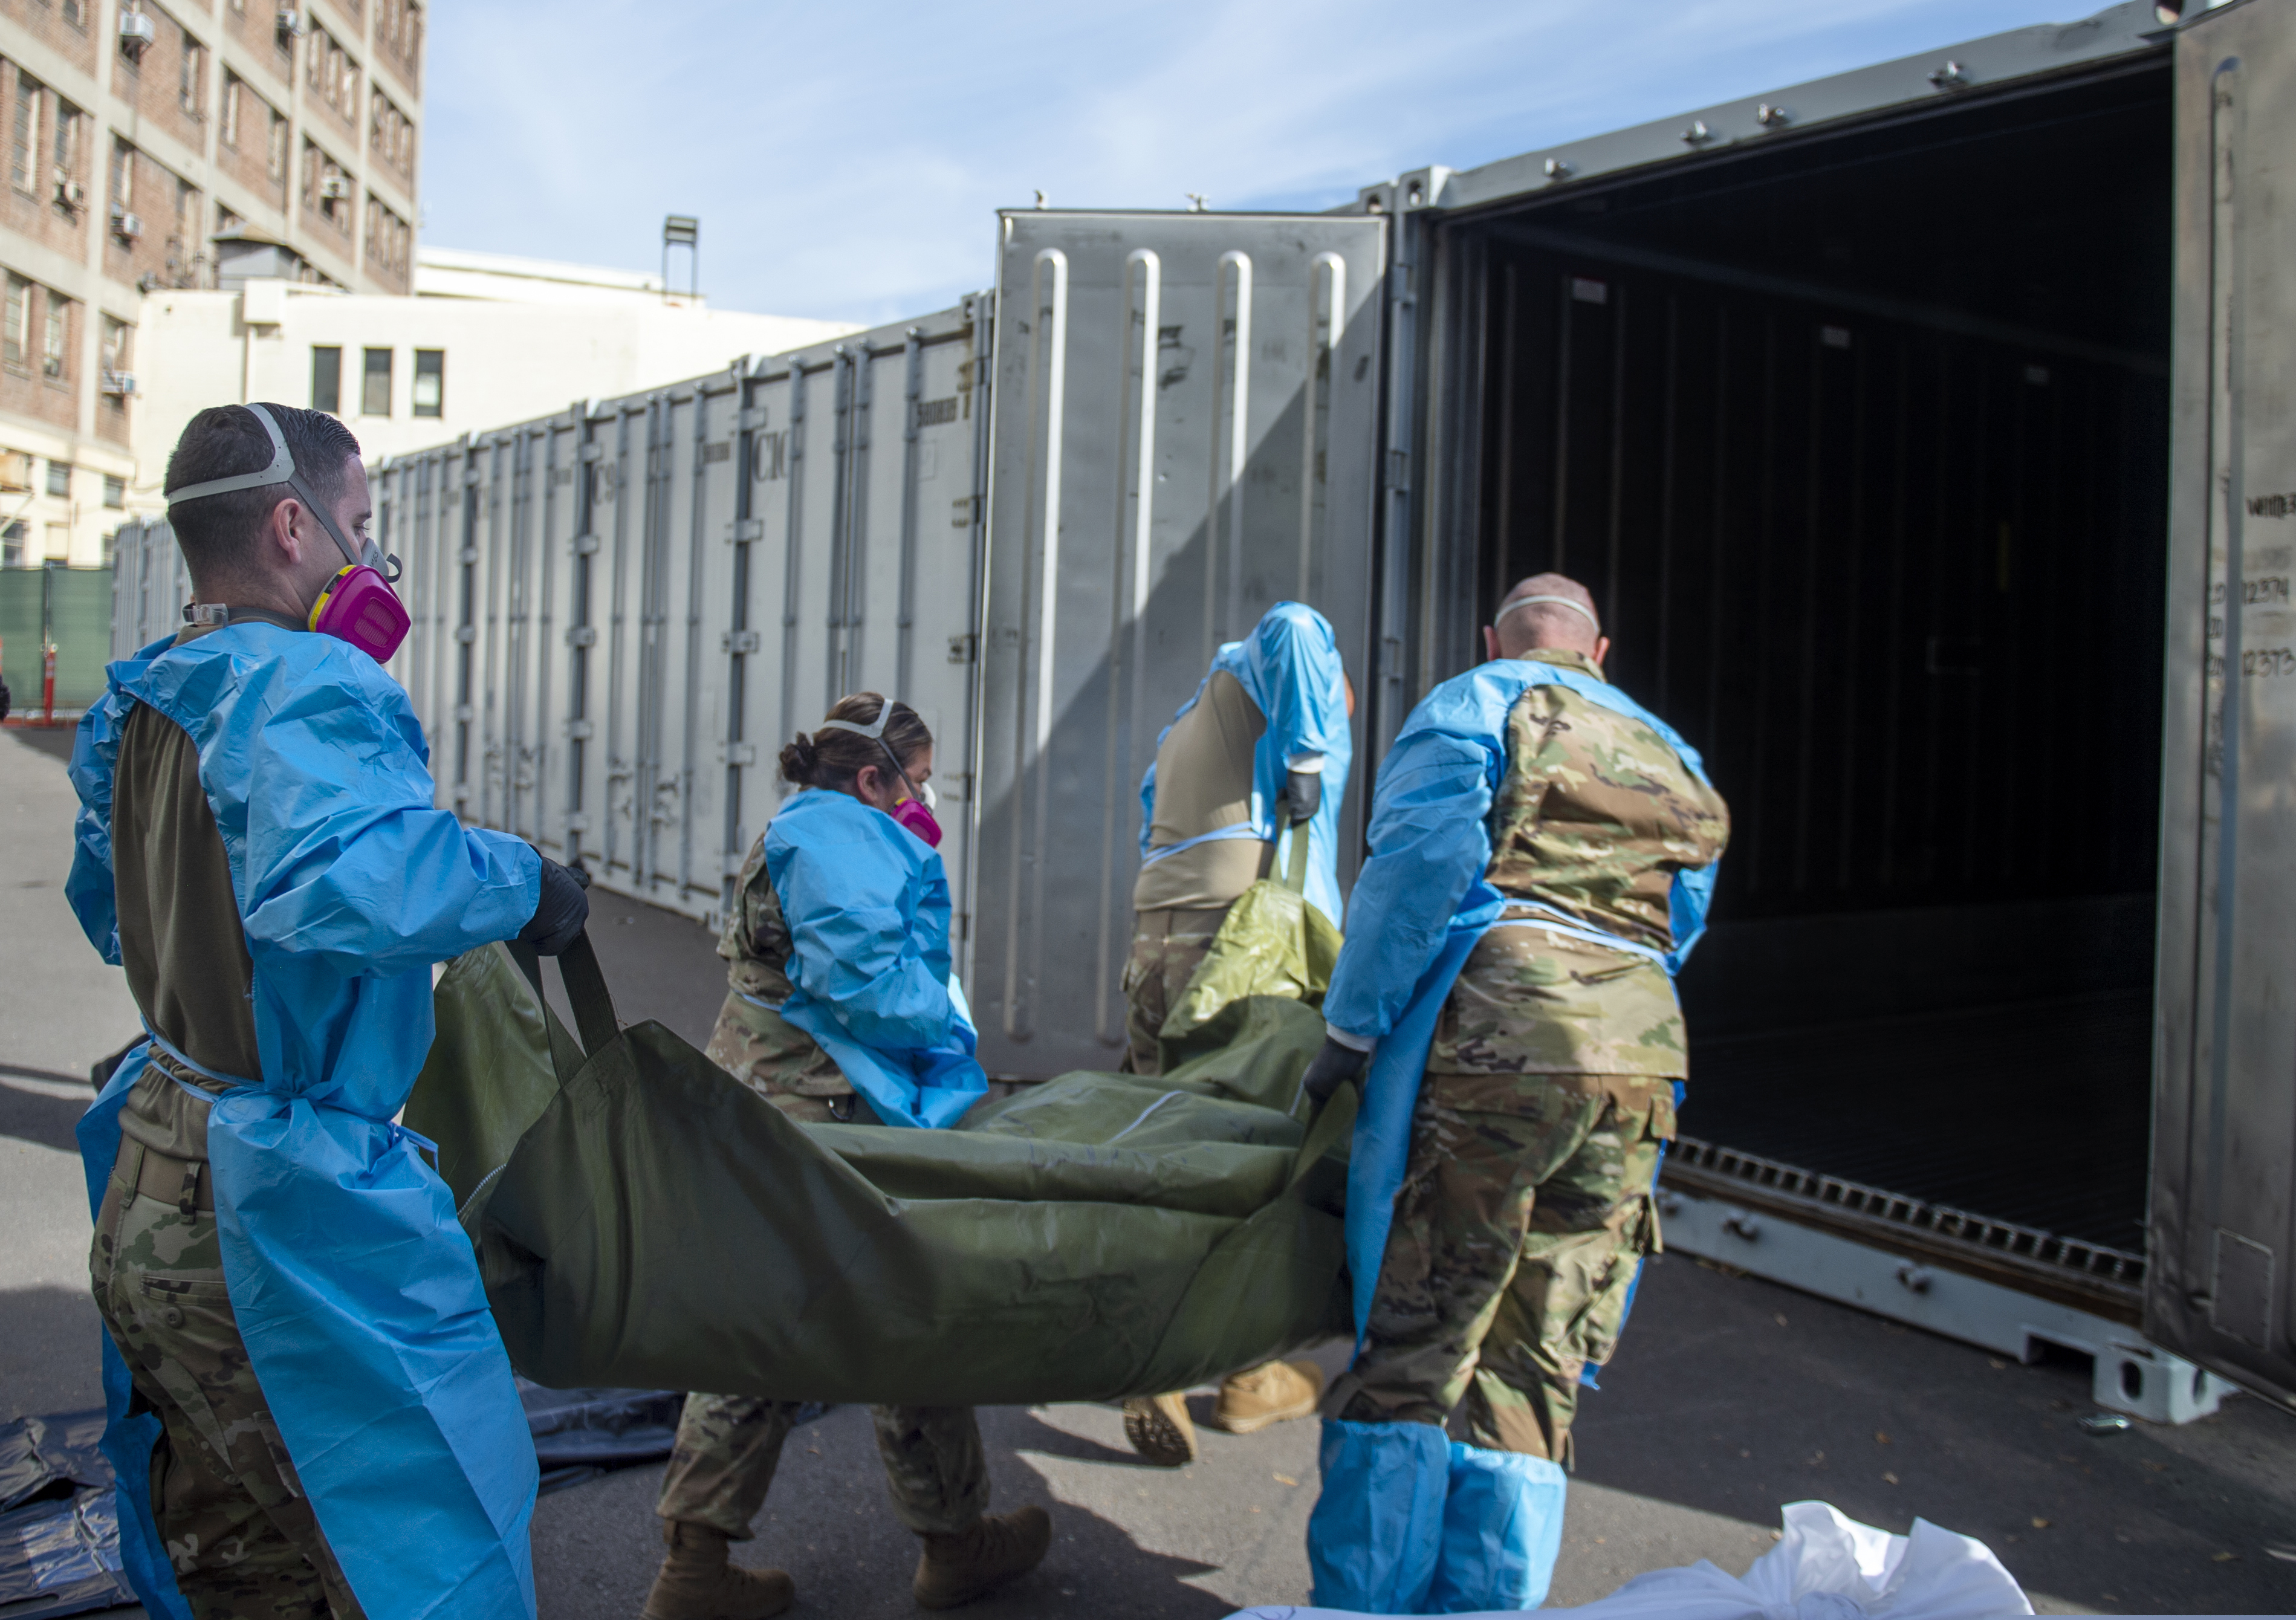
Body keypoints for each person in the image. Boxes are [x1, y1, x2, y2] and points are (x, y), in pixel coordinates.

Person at [65, 403, 592, 1620]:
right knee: (417, 1546)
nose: (370, 564)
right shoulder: (310, 683)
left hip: (157, 1168)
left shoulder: (147, 697)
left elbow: (111, 914)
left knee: (241, 1559)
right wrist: (521, 881)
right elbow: (347, 880)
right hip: (277, 1213)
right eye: (360, 528)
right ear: (293, 526)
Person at [1296, 573, 1730, 1614]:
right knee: (1540, 1346)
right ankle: (1487, 1604)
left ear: (1494, 637)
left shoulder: (1477, 699)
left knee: (1419, 1332)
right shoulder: (1670, 748)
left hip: (1503, 1038)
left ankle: (1364, 1606)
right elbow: (1687, 916)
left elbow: (1420, 861)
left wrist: (1349, 1030)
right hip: (1641, 1060)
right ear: (1601, 650)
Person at [646, 692, 1051, 1620]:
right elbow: (865, 981)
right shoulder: (840, 840)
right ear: (873, 778)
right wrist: (947, 1020)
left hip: (770, 1105)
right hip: (825, 1117)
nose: (929, 795)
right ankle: (948, 1540)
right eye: (919, 776)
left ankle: (700, 1564)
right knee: (897, 1316)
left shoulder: (805, 825)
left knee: (776, 1327)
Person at [1117, 600, 1352, 1467]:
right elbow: (1295, 622)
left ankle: (1247, 1371)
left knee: (1161, 1144)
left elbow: (1149, 817)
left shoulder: (1191, 723)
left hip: (1157, 943)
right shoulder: (1273, 663)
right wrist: (1308, 760)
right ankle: (1175, 1355)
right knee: (1247, 1155)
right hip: (1232, 948)